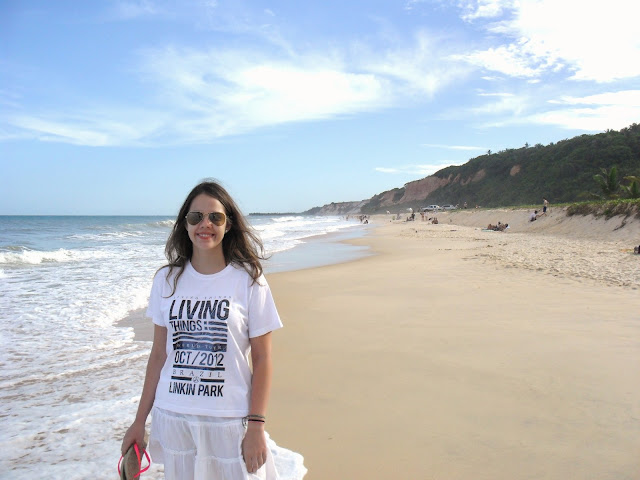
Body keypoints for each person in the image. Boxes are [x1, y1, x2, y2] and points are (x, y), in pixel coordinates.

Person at [121, 180, 304, 480]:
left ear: (228, 224)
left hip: (228, 421)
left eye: (215, 217)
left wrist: (256, 425)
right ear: (185, 224)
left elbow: (263, 359)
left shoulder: (248, 280)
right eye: (196, 217)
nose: (205, 224)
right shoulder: (166, 280)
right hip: (174, 416)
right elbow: (158, 355)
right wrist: (139, 422)